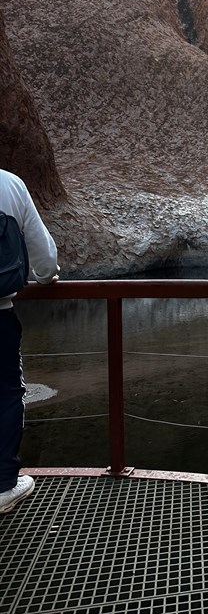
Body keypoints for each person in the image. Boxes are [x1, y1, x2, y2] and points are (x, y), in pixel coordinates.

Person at [0, 168, 59, 514]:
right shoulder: (9, 184)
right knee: (7, 394)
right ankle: (3, 486)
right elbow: (45, 261)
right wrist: (46, 277)